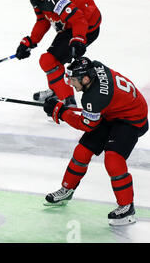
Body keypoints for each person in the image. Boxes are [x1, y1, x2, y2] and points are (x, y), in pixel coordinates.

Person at [43, 57, 148, 226]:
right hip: (112, 112)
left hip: (131, 120)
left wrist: (61, 112)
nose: (70, 83)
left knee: (113, 159)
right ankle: (67, 189)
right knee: (82, 151)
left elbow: (85, 125)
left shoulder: (95, 97)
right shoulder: (95, 68)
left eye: (73, 80)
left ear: (86, 79)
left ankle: (127, 207)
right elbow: (96, 106)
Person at [16, 0, 101, 106]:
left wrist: (78, 39)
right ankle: (57, 90)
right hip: (71, 25)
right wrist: (30, 41)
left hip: (87, 27)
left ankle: (67, 100)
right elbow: (42, 21)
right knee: (49, 60)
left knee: (49, 60)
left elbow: (79, 20)